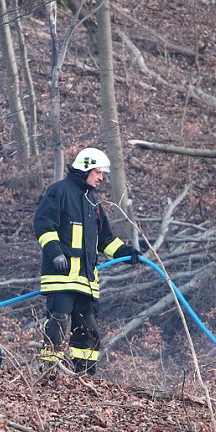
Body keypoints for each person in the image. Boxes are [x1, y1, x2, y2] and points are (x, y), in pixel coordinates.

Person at [33, 147, 141, 376]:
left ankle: (84, 377)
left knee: (88, 332)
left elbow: (105, 240)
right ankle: (49, 374)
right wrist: (55, 253)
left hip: (86, 283)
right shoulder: (59, 192)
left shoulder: (93, 202)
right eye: (98, 172)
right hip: (61, 279)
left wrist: (126, 253)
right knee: (58, 325)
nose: (101, 177)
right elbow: (44, 225)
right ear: (85, 168)